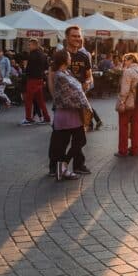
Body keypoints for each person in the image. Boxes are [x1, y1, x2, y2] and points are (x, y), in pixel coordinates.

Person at [47, 49, 92, 180]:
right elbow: (75, 93)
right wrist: (87, 107)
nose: (70, 58)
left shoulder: (66, 73)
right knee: (66, 143)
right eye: (68, 57)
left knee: (78, 141)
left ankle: (63, 168)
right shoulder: (60, 75)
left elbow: (77, 90)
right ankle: (62, 169)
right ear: (64, 59)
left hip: (72, 115)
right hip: (67, 114)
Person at [65, 25, 102, 130]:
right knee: (62, 137)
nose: (77, 38)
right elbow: (52, 77)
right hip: (65, 101)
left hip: (80, 96)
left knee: (80, 139)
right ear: (67, 37)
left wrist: (88, 82)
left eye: (78, 36)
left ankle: (90, 123)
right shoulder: (61, 55)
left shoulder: (84, 56)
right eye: (74, 36)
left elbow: (89, 76)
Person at [21, 39, 51, 126]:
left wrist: (26, 70)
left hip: (32, 79)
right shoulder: (43, 55)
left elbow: (28, 69)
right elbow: (46, 67)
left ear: (35, 45)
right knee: (40, 100)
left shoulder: (32, 55)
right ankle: (47, 118)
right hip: (40, 79)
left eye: (30, 45)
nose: (28, 46)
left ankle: (28, 118)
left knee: (28, 100)